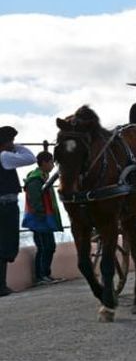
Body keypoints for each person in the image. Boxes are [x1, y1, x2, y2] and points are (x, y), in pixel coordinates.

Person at [0, 126, 36, 296]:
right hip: (6, 205)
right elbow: (30, 158)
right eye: (11, 141)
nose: (12, 144)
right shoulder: (5, 156)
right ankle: (1, 285)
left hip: (4, 205)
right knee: (6, 244)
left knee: (4, 243)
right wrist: (17, 147)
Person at [22, 151, 64, 285]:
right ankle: (41, 276)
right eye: (51, 162)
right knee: (44, 246)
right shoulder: (35, 179)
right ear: (44, 162)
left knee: (49, 246)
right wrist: (41, 215)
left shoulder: (43, 176)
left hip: (45, 218)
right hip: (39, 219)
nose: (53, 165)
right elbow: (35, 200)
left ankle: (46, 274)